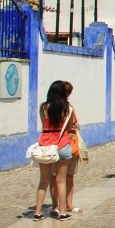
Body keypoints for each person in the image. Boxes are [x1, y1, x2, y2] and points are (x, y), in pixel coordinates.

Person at [33, 80, 76, 220]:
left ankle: (38, 212)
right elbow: (69, 127)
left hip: (46, 145)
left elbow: (44, 125)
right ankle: (62, 212)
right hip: (62, 143)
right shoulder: (68, 109)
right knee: (61, 180)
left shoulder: (44, 108)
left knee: (44, 181)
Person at [49, 81, 81, 215]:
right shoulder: (55, 108)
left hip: (68, 143)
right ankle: (60, 205)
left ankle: (63, 204)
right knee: (61, 177)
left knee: (64, 176)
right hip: (63, 143)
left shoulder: (68, 108)